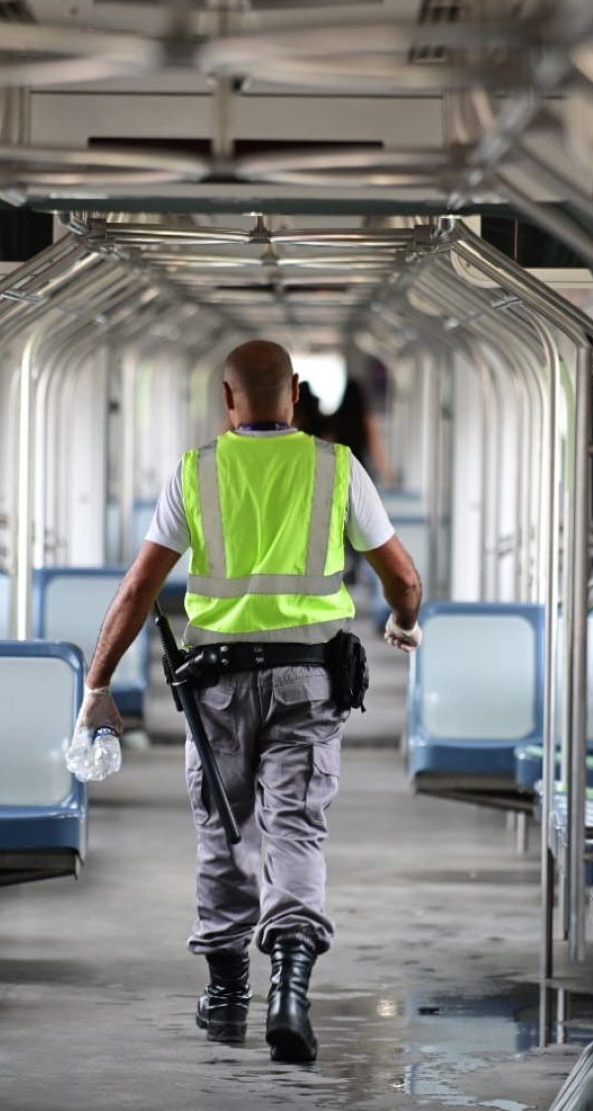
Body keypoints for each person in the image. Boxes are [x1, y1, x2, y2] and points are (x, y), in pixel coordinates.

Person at [74, 339, 424, 1063]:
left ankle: (227, 993)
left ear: (226, 398)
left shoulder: (196, 473)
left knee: (226, 830)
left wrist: (98, 686)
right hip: (310, 680)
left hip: (217, 685)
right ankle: (289, 991)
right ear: (294, 392)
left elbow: (139, 589)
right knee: (295, 829)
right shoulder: (337, 467)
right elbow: (403, 578)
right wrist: (401, 621)